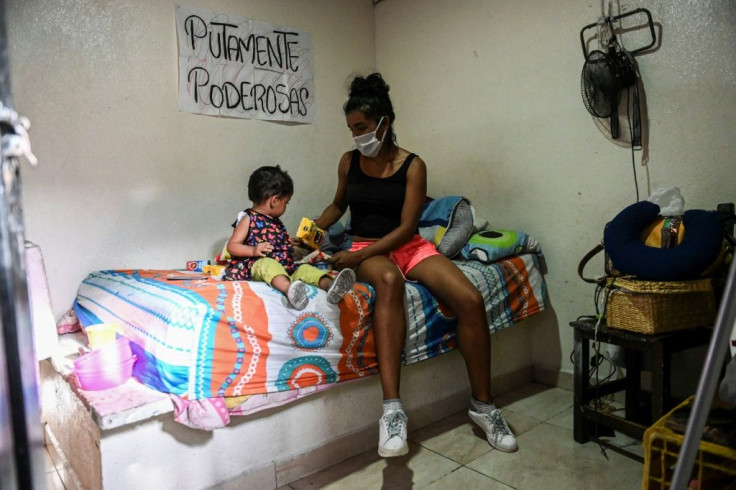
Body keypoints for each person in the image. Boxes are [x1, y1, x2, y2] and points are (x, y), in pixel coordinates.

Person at [313, 73, 517, 457]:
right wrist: (313, 229)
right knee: (388, 282)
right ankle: (392, 412)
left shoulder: (413, 165)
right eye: (351, 129)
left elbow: (408, 227)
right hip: (366, 246)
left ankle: (484, 407)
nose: (356, 136)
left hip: (408, 244)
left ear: (383, 123)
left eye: (361, 127)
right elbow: (338, 205)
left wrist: (354, 259)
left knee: (470, 299)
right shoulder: (348, 161)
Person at [223, 165, 355, 310]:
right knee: (268, 265)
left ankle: (331, 286)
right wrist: (253, 250)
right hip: (257, 263)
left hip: (286, 266)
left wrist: (289, 243)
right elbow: (232, 246)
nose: (286, 207)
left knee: (305, 269)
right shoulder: (248, 218)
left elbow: (276, 241)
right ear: (274, 200)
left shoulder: (276, 222)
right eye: (286, 203)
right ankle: (289, 290)